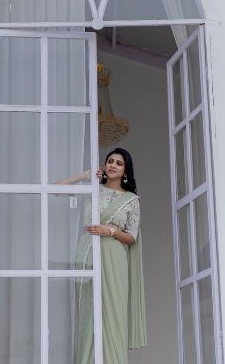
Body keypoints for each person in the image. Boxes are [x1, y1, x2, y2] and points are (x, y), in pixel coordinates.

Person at [59, 148, 147, 364]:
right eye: (110, 161)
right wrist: (85, 176)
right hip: (87, 254)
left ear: (125, 170)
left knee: (113, 314)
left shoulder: (131, 200)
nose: (113, 165)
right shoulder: (93, 191)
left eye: (119, 163)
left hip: (114, 257)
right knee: (88, 314)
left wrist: (111, 231)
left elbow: (132, 237)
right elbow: (55, 190)